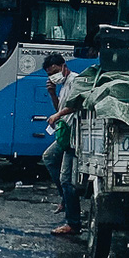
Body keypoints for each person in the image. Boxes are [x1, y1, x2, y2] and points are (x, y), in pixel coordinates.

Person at [39, 54, 82, 238]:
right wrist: (52, 93)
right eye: (50, 75)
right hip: (65, 134)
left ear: (63, 66)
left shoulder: (76, 81)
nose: (54, 76)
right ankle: (65, 199)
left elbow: (77, 104)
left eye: (55, 72)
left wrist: (57, 117)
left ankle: (73, 222)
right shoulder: (63, 85)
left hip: (75, 136)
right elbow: (60, 108)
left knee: (67, 180)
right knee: (49, 158)